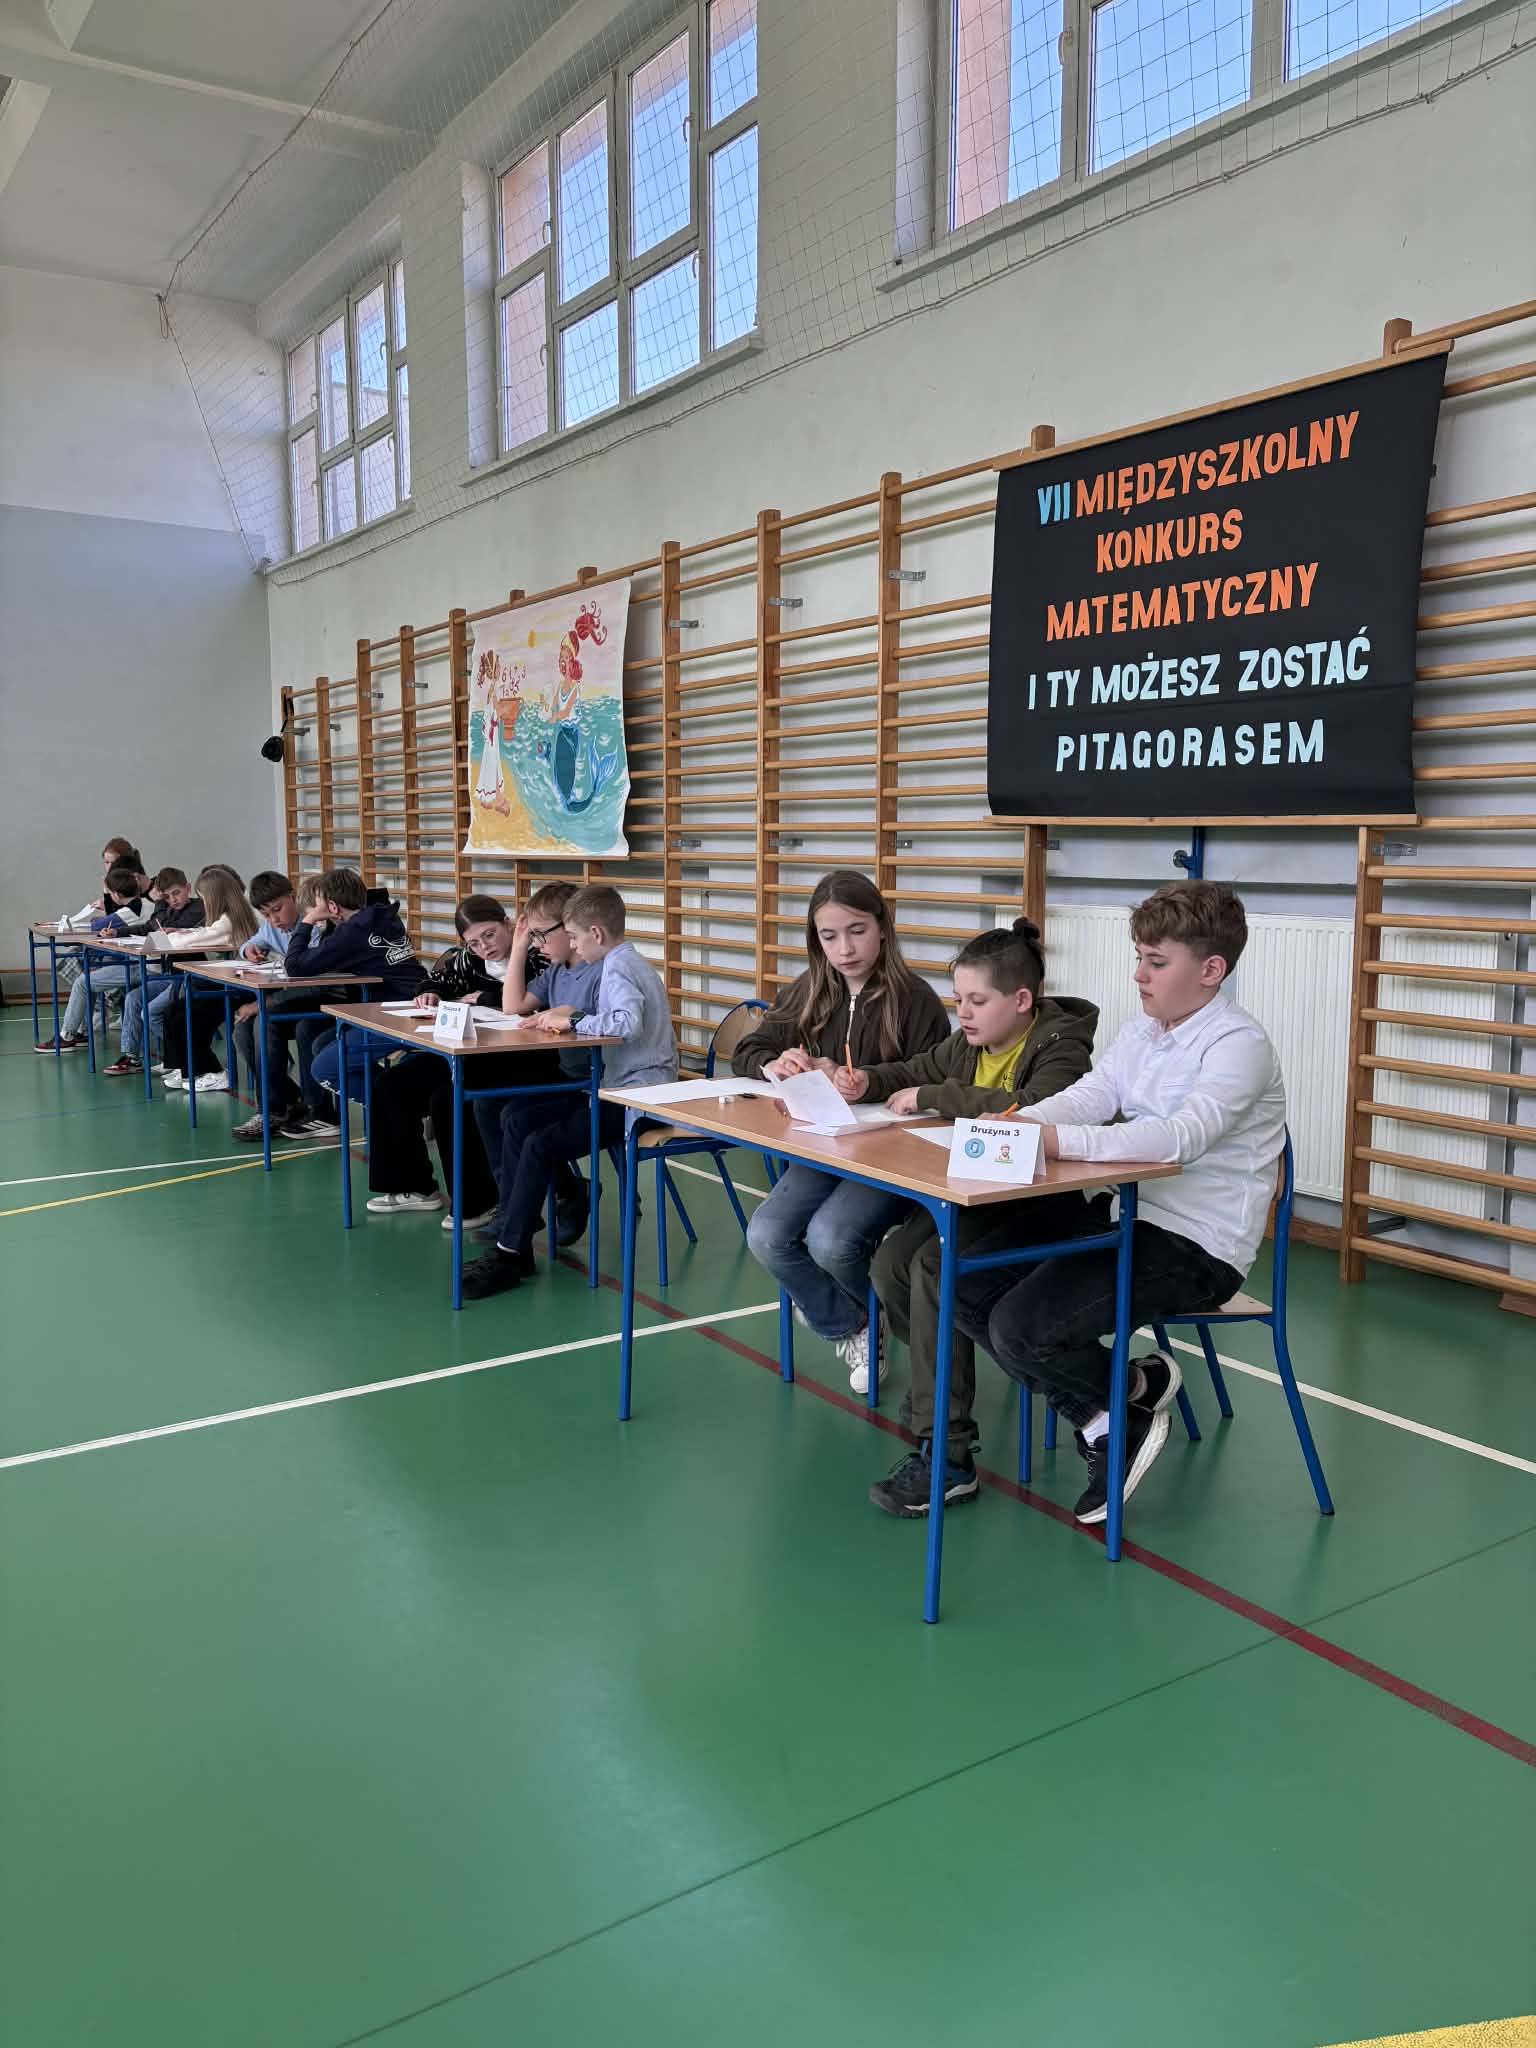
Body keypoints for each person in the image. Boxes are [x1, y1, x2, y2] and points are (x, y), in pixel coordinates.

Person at [879, 881, 1284, 1530]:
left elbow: (1179, 1138)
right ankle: (1116, 1408)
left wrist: (1054, 1141)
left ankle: (1113, 1415)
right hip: (1120, 1210)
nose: (1139, 974)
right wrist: (1024, 1125)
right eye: (1139, 957)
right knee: (958, 1278)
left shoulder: (1239, 1045)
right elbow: (1090, 1095)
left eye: (1157, 962)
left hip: (1195, 1245)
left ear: (1211, 971)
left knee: (1020, 1328)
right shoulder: (1144, 1030)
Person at [830, 919, 1098, 1515]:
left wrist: (933, 1097)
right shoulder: (969, 1045)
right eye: (959, 1000)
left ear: (1021, 1001)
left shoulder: (1062, 1046)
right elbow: (915, 1070)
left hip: (1042, 1205)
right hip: (977, 1198)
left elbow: (1032, 1109)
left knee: (934, 1268)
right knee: (890, 1266)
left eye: (977, 1001)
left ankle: (947, 1453)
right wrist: (867, 1080)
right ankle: (941, 1379)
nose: (964, 1013)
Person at [731, 870, 949, 1391]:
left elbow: (937, 1076)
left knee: (830, 1241)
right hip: (824, 1147)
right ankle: (855, 1323)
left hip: (892, 1156)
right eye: (829, 937)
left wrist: (865, 1081)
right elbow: (748, 1049)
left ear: (882, 929)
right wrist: (774, 1064)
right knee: (766, 1234)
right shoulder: (808, 991)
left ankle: (851, 1310)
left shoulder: (915, 999)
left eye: (857, 931)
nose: (845, 949)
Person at [461, 884, 676, 1299]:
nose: (572, 945)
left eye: (574, 937)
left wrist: (574, 1019)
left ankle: (510, 1253)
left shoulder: (618, 966)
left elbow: (626, 1022)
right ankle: (516, 1242)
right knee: (517, 1121)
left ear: (595, 934)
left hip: (640, 1099)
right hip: (611, 1089)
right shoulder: (620, 962)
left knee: (539, 1144)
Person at [363, 889, 596, 1229]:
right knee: (392, 1083)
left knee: (450, 1098)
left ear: (508, 924)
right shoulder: (466, 960)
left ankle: (479, 1202)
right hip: (472, 1047)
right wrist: (430, 993)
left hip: (526, 1055)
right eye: (474, 943)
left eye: (489, 935)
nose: (484, 947)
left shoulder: (544, 956)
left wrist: (489, 995)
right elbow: (435, 979)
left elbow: (531, 1005)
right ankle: (414, 1186)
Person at [286, 868, 426, 1110]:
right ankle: (398, 1097)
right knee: (321, 1044)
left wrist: (308, 920)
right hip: (411, 1004)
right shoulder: (381, 915)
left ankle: (399, 1108)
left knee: (324, 1068)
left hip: (397, 1016)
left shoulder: (353, 932)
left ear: (332, 907)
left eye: (320, 906)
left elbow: (295, 966)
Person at [38, 861, 159, 1052]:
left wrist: (101, 915)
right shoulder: (148, 905)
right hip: (143, 961)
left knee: (82, 982)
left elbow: (96, 926)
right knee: (90, 975)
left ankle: (66, 1035)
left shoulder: (128, 912)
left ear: (116, 895)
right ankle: (82, 1031)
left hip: (140, 966)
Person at [98, 870, 207, 1075]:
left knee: (151, 1012)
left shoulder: (198, 908)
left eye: (176, 893)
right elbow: (149, 927)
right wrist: (117, 932)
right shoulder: (169, 909)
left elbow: (163, 926)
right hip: (171, 976)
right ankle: (131, 1057)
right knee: (133, 998)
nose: (173, 900)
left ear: (188, 888)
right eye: (167, 896)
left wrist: (159, 903)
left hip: (191, 977)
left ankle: (186, 1057)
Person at [229, 871, 311, 1139]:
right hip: (289, 998)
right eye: (266, 914)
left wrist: (261, 1004)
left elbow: (312, 982)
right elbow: (251, 942)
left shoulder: (312, 926)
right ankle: (289, 1098)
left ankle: (271, 1111)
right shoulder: (271, 928)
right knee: (242, 1030)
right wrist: (247, 950)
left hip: (312, 999)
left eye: (278, 909)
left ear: (293, 896)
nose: (274, 919)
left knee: (262, 1022)